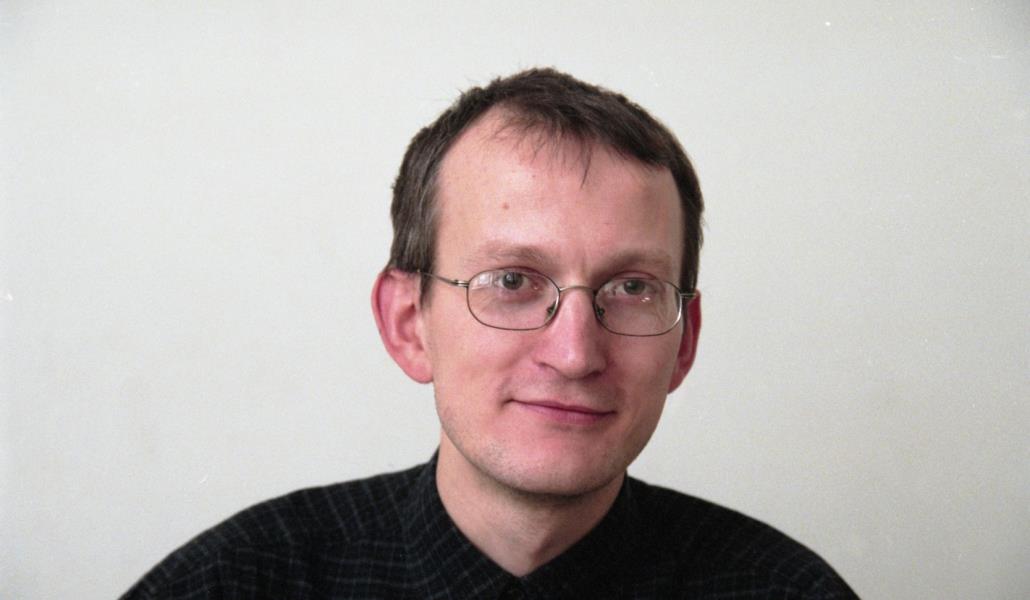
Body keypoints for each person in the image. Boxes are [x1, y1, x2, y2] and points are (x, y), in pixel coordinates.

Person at [122, 68, 858, 599]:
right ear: (408, 325)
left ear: (684, 343)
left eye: (632, 288)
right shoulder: (231, 584)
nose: (575, 353)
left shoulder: (786, 591)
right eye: (511, 281)